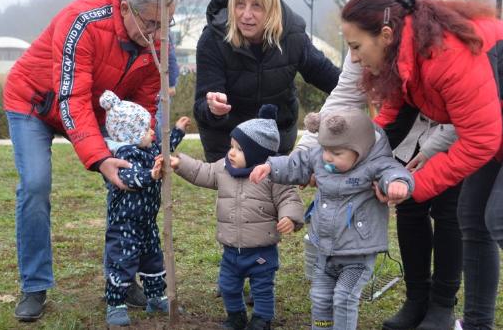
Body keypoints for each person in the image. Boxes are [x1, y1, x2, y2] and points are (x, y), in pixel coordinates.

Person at [341, 0, 503, 330]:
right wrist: (348, 155)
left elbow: (479, 141)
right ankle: (477, 324)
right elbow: (392, 117)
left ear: (385, 35)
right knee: (472, 217)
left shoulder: (445, 55)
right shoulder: (406, 53)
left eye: (356, 46)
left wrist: (412, 184)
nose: (354, 57)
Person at [295, 0, 463, 330]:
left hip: (452, 123)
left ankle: (442, 305)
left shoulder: (441, 23)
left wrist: (434, 147)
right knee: (410, 204)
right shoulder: (368, 31)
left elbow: (461, 102)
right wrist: (309, 153)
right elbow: (344, 97)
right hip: (407, 117)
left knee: (449, 210)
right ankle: (416, 299)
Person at [2, 0, 177, 322]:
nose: (159, 36)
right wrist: (100, 158)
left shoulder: (155, 39)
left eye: (167, 25)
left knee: (130, 183)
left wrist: (146, 144)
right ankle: (34, 285)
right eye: (153, 24)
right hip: (35, 103)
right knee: (35, 184)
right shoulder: (81, 21)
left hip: (100, 109)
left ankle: (122, 278)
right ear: (126, 8)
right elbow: (72, 98)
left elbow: (143, 105)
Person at [250, 108, 413, 330]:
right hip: (325, 249)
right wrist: (270, 166)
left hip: (357, 253)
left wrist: (398, 184)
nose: (327, 157)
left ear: (360, 151)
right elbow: (298, 163)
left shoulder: (375, 163)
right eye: (326, 149)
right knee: (320, 297)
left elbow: (394, 172)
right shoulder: (320, 156)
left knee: (344, 298)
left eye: (337, 153)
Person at [160, 104, 304, 330]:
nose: (231, 152)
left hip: (261, 250)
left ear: (257, 153)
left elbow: (289, 198)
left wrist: (291, 218)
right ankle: (235, 316)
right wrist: (181, 163)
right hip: (231, 249)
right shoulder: (224, 169)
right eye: (231, 146)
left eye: (239, 149)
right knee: (228, 285)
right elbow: (202, 171)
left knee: (262, 287)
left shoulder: (272, 176)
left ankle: (262, 319)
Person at [194, 0, 340, 162]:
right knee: (239, 193)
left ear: (271, 9)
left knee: (274, 192)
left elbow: (329, 77)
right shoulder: (212, 40)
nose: (246, 15)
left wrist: (363, 85)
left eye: (256, 6)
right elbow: (201, 106)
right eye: (239, 5)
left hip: (275, 138)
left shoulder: (293, 36)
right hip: (227, 141)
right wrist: (213, 108)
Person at [98, 91, 189, 326]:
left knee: (153, 259)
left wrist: (177, 131)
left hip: (147, 220)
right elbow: (128, 177)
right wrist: (151, 174)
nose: (151, 132)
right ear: (131, 134)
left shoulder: (147, 149)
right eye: (147, 129)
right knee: (123, 261)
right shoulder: (122, 155)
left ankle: (156, 296)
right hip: (125, 223)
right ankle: (115, 303)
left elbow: (162, 148)